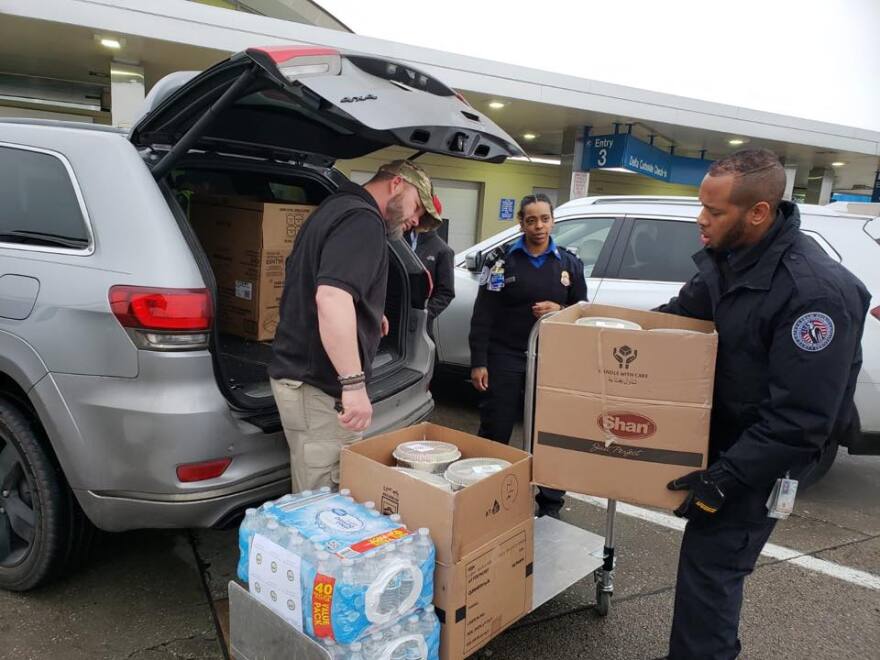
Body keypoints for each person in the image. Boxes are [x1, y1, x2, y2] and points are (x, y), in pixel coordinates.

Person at [657, 149, 870, 660]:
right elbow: (679, 319)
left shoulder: (812, 295)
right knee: (707, 562)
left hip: (769, 457)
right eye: (701, 206)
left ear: (758, 213)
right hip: (734, 432)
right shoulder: (727, 262)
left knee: (713, 564)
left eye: (714, 211)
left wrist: (724, 480)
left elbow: (800, 421)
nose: (700, 220)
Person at [269, 160, 442, 492]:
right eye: (417, 206)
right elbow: (332, 297)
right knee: (321, 504)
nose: (415, 220)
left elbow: (323, 283)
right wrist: (353, 385)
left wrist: (367, 311)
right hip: (318, 386)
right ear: (396, 185)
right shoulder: (362, 221)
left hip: (303, 377)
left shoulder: (337, 207)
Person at [469, 193, 587, 517]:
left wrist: (559, 309)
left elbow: (581, 312)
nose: (538, 226)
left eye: (544, 219)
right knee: (496, 427)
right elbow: (483, 314)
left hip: (549, 360)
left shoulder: (568, 264)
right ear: (521, 222)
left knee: (548, 433)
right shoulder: (500, 262)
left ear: (553, 221)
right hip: (504, 355)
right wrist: (479, 360)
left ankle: (550, 505)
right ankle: (486, 497)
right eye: (531, 220)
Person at [405, 217, 455, 340]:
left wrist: (425, 314)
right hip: (392, 316)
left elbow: (446, 292)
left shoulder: (443, 251)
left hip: (418, 327)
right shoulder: (400, 240)